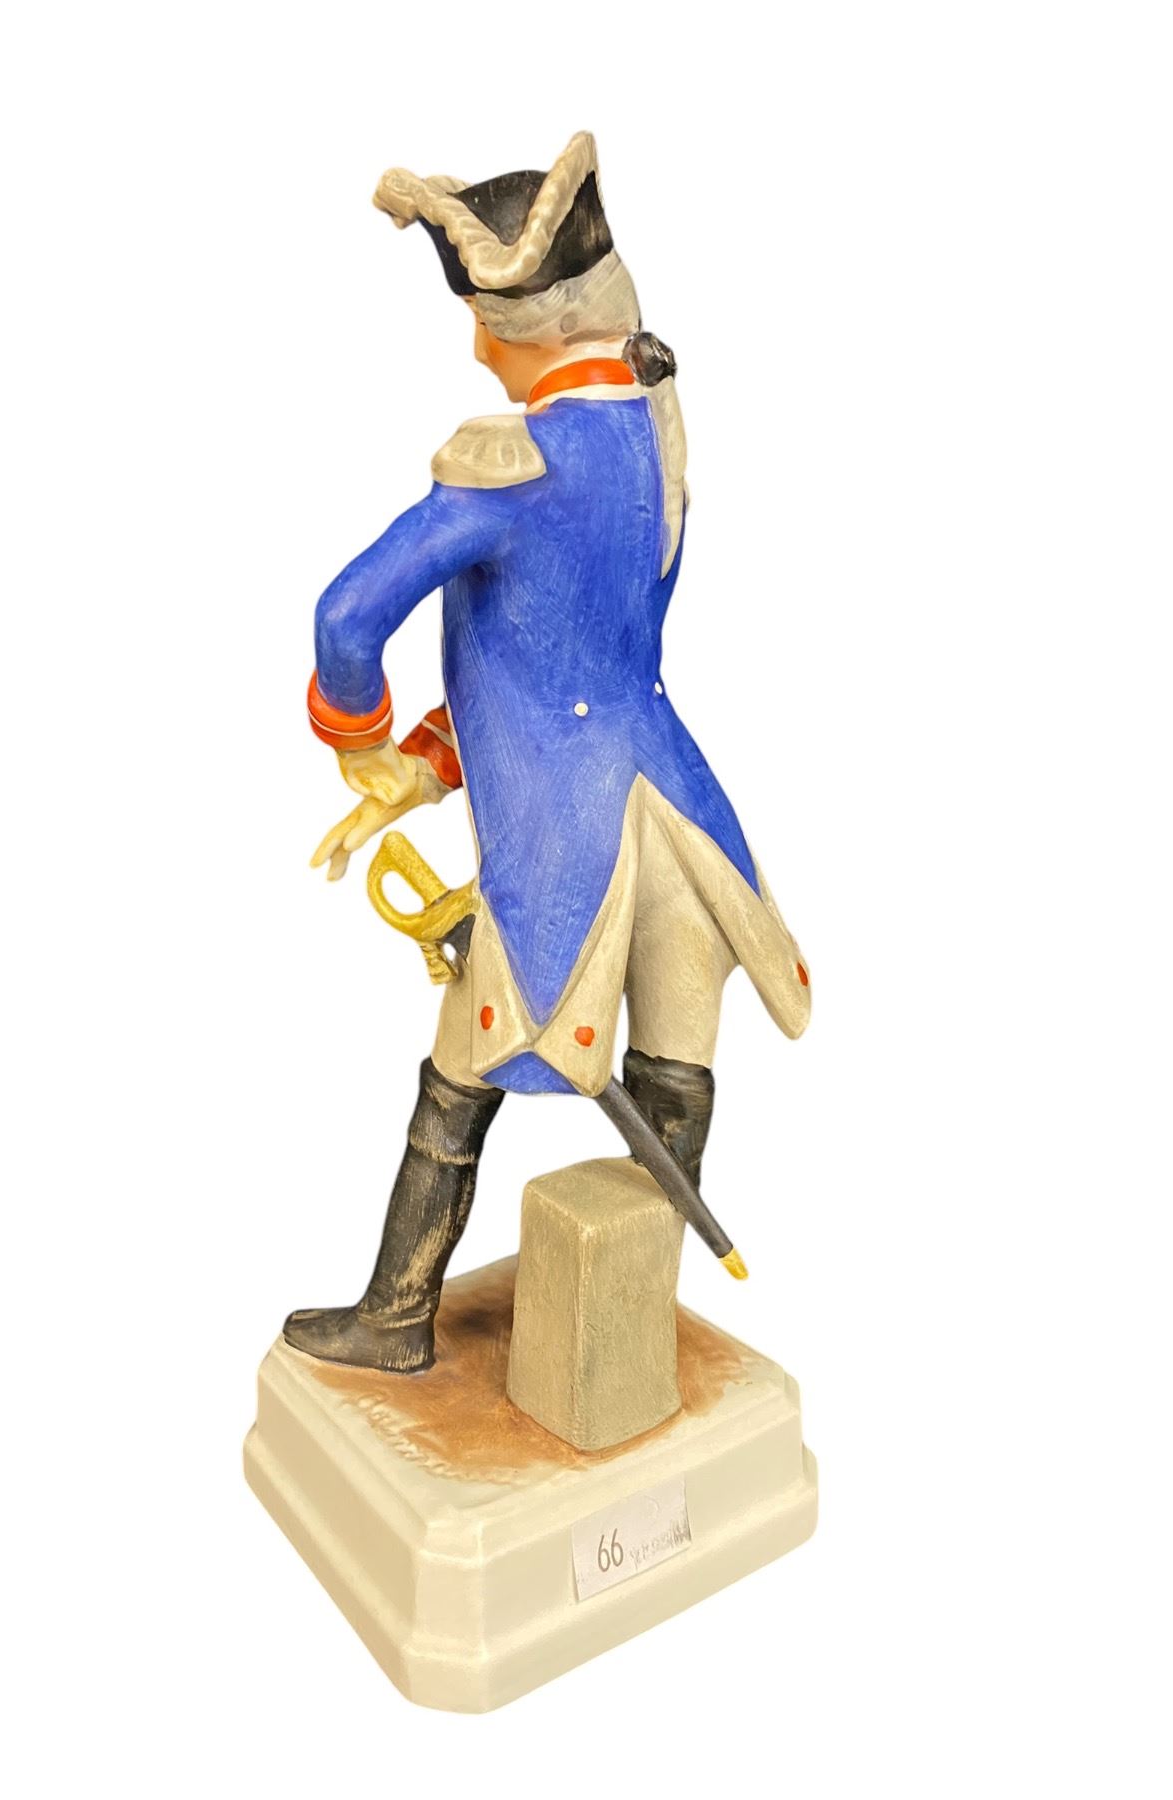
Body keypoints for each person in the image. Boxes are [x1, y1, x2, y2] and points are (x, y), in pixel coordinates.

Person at [285, 132, 810, 1373]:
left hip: (564, 843)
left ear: (534, 321)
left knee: (456, 1084)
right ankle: (628, 1340)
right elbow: (556, 655)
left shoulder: (508, 465)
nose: (478, 350)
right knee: (674, 1068)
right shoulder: (656, 435)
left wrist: (362, 743)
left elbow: (347, 619)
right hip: (676, 814)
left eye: (486, 324)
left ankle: (397, 1317)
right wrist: (432, 763)